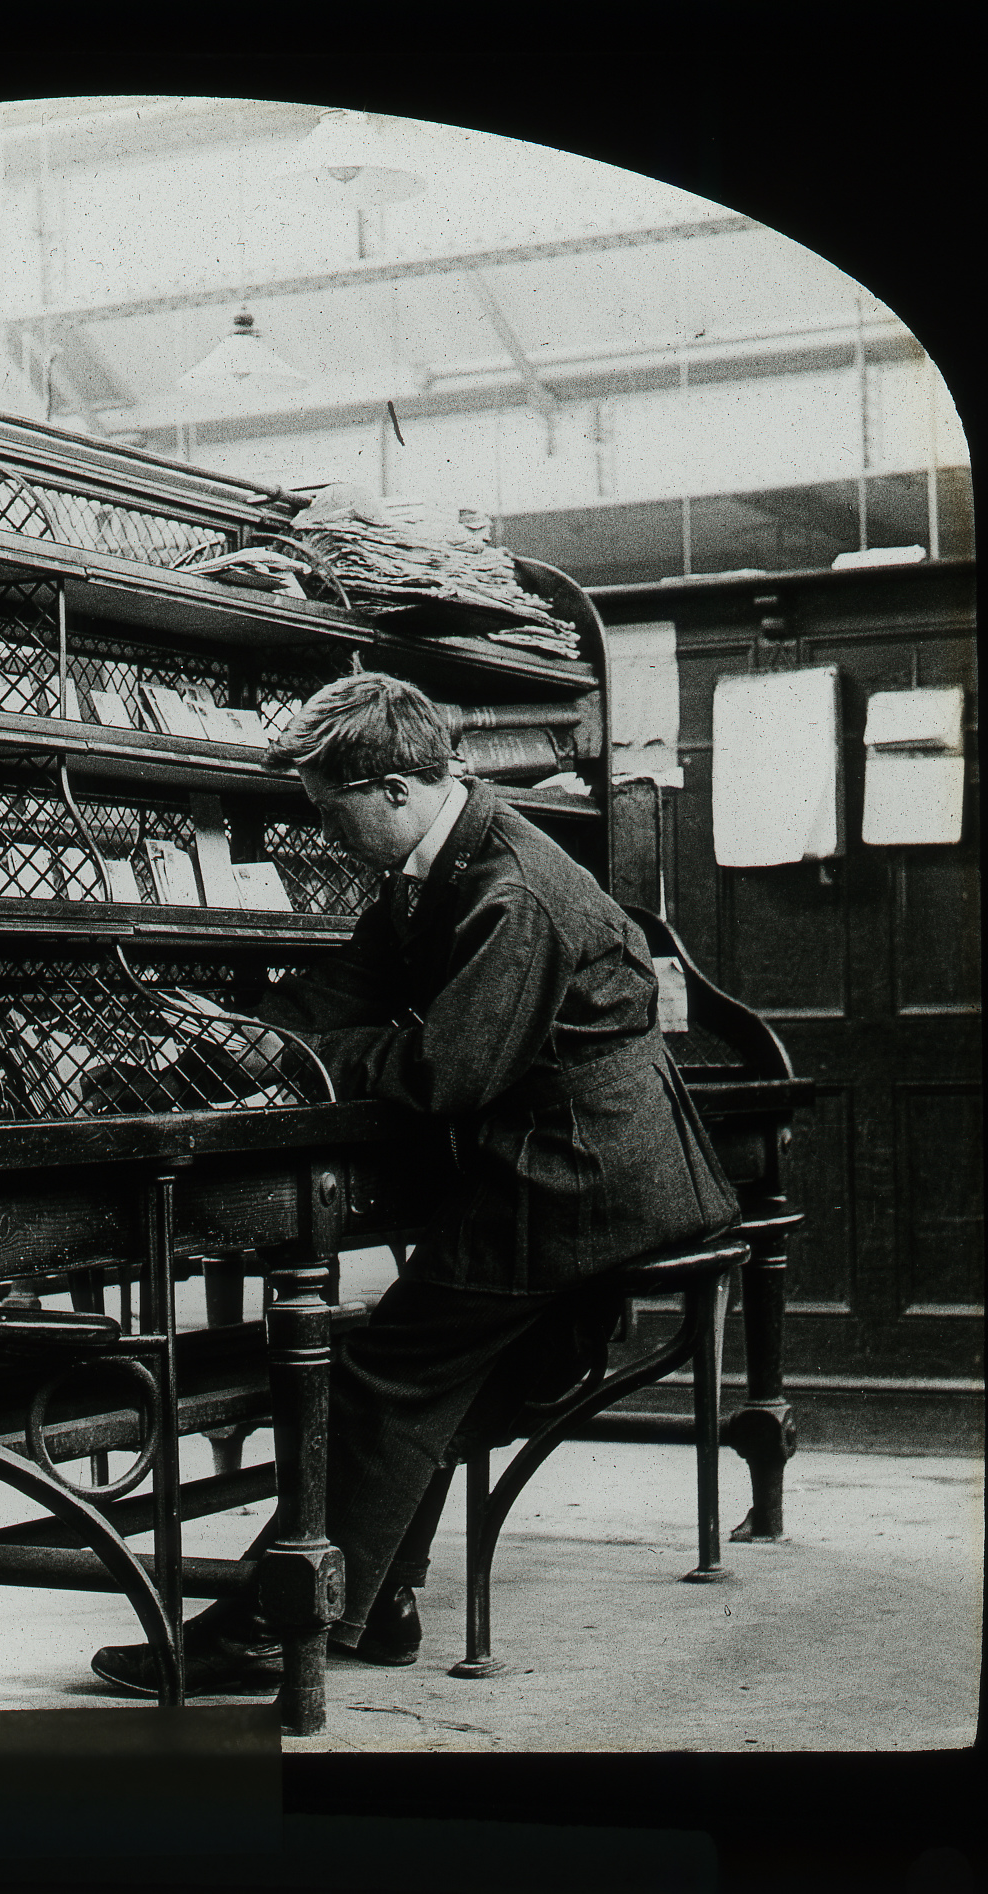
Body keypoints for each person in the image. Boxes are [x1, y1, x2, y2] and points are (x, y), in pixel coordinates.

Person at [90, 670, 739, 1696]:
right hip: (580, 1170)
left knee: (383, 1377)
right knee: (428, 1383)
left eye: (330, 809)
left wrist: (298, 1063)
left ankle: (271, 1628)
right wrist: (221, 1052)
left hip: (578, 1183)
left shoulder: (507, 887)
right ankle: (376, 1600)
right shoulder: (443, 859)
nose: (323, 831)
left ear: (393, 787)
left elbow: (449, 1072)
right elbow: (352, 986)